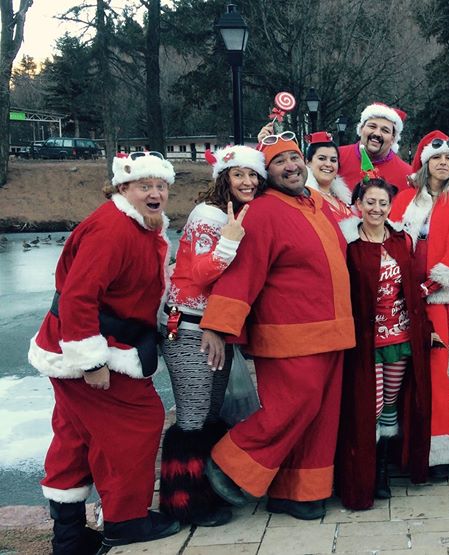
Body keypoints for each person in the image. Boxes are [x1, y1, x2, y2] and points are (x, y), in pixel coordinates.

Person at [27, 152, 181, 552]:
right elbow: (79, 296)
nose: (155, 193)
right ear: (122, 189)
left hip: (85, 346)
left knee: (75, 437)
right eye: (144, 186)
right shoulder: (112, 229)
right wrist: (92, 361)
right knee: (137, 424)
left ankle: (71, 538)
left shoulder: (141, 226)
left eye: (160, 186)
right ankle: (125, 521)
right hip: (92, 351)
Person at [200, 130, 354, 521]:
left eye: (295, 159)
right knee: (291, 409)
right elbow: (243, 273)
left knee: (320, 417)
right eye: (279, 163)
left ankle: (300, 492)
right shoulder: (265, 211)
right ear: (267, 174)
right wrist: (217, 325)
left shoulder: (316, 204)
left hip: (332, 332)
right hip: (289, 336)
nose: (291, 167)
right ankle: (228, 462)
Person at [158, 145, 266, 527]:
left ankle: (202, 491)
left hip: (211, 327)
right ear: (224, 177)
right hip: (189, 327)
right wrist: (232, 239)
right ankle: (182, 502)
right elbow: (202, 273)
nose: (248, 181)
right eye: (239, 174)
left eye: (253, 175)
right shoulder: (208, 215)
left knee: (208, 415)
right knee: (192, 418)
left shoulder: (232, 214)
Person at [336, 178, 432, 509]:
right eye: (370, 202)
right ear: (358, 204)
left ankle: (384, 470)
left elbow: (413, 284)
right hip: (366, 341)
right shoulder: (349, 244)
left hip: (401, 337)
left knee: (390, 405)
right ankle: (368, 473)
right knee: (370, 406)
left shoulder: (400, 240)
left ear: (390, 208)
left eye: (383, 203)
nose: (377, 209)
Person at [390, 130, 449, 479]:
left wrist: (423, 287)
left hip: (433, 297)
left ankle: (437, 453)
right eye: (437, 157)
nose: (443, 163)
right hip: (396, 299)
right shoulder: (404, 198)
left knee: (436, 375)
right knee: (400, 374)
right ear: (426, 162)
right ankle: (401, 446)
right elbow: (389, 240)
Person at [339, 102, 413, 191]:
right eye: (372, 126)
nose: (377, 134)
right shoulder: (335, 158)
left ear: (393, 139)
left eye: (385, 130)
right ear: (361, 128)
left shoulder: (407, 174)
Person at [305, 131, 354, 221]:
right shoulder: (305, 199)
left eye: (333, 160)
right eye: (322, 158)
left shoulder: (343, 199)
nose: (328, 164)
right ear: (308, 162)